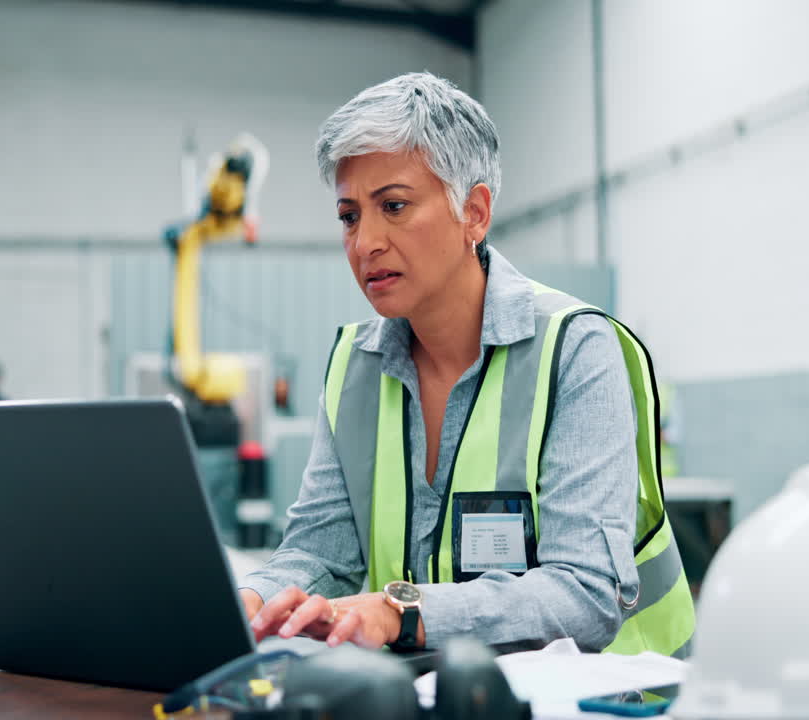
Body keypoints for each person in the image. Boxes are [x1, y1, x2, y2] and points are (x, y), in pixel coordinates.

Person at [239, 73, 694, 656]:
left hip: (611, 700)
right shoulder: (354, 368)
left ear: (474, 213)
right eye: (349, 216)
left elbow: (585, 593)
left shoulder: (576, 351)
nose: (365, 242)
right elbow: (319, 552)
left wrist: (400, 612)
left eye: (394, 206)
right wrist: (253, 599)